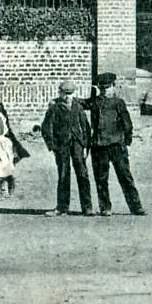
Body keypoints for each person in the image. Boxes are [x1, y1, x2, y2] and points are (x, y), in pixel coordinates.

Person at [84, 72, 145, 216]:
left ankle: (136, 206)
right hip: (98, 146)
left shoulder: (118, 103)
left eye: (107, 88)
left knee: (125, 176)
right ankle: (105, 207)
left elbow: (127, 123)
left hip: (116, 145)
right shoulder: (94, 102)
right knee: (101, 179)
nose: (105, 91)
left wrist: (126, 141)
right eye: (102, 88)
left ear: (113, 87)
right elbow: (80, 103)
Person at [38, 80, 93, 216]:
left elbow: (85, 126)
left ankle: (87, 207)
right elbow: (46, 128)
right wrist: (52, 145)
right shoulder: (54, 108)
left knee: (83, 174)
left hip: (77, 144)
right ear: (60, 92)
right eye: (65, 93)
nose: (68, 96)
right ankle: (62, 207)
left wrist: (86, 145)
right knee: (63, 174)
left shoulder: (78, 106)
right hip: (62, 145)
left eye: (71, 93)